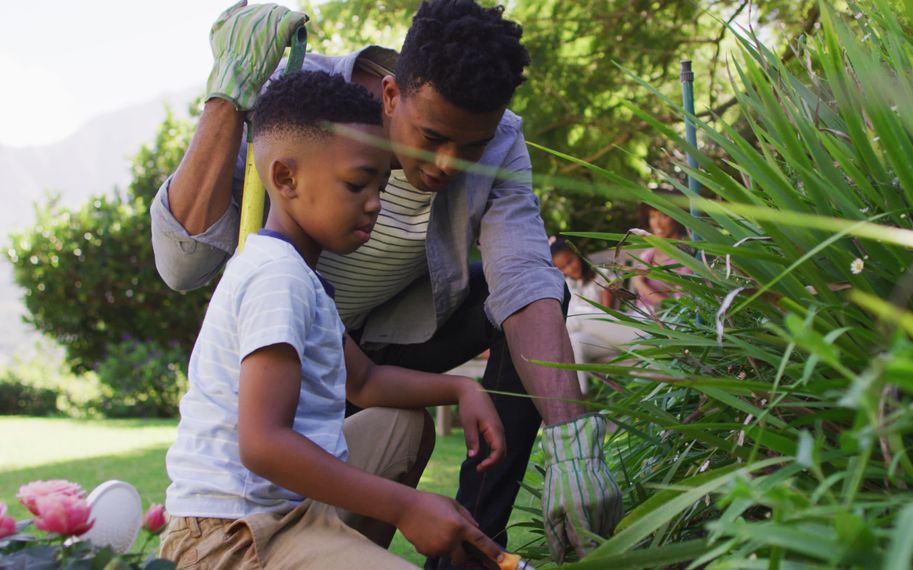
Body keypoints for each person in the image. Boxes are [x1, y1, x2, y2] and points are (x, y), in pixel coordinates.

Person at [149, 0, 622, 565]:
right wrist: (228, 96)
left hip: (376, 347)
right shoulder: (301, 113)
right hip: (276, 371)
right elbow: (182, 267)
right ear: (391, 96)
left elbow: (520, 281)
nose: (449, 164)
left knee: (532, 300)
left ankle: (471, 551)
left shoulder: (498, 141)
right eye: (433, 135)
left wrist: (571, 441)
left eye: (471, 147)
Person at [161, 70, 507, 570]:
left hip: (287, 509)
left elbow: (364, 381)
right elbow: (262, 444)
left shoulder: (300, 276)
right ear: (285, 178)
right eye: (357, 183)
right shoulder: (275, 278)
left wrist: (462, 390)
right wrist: (407, 506)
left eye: (380, 185)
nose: (375, 203)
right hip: (232, 533)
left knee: (402, 427)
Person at [550, 236, 640, 393]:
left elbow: (606, 315)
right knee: (575, 342)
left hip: (612, 333)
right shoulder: (567, 286)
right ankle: (579, 407)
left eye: (570, 261)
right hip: (593, 341)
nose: (569, 269)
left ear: (578, 253)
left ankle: (550, 341)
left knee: (573, 320)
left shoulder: (601, 275)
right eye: (563, 268)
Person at [631, 204, 691, 312]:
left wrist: (639, 283)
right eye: (652, 216)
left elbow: (679, 303)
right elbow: (637, 281)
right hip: (641, 315)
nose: (657, 223)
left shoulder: (685, 257)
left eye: (664, 216)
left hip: (669, 320)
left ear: (677, 218)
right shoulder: (649, 254)